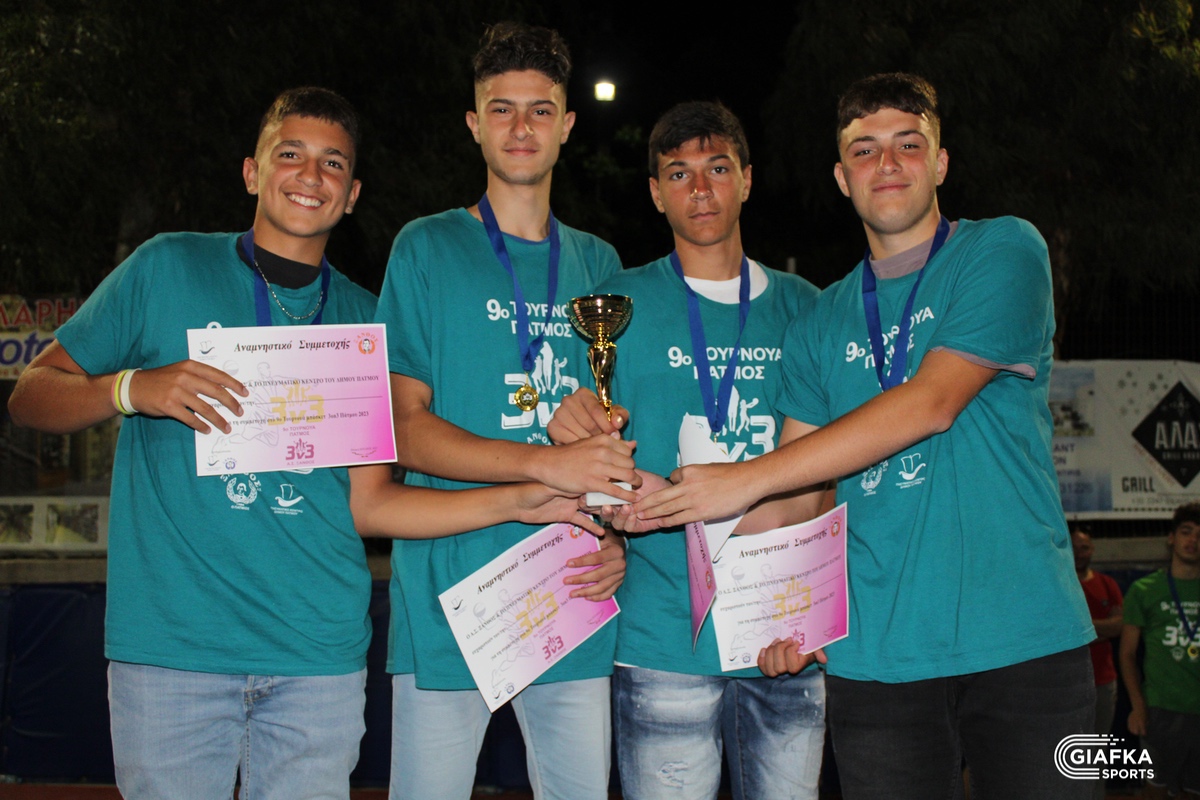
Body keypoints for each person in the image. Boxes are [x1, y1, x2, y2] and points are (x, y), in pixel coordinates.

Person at [5, 87, 601, 800]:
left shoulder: (364, 321)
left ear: (352, 195)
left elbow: (373, 505)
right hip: (176, 653)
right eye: (290, 154)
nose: (310, 175)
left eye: (332, 163)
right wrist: (132, 388)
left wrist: (523, 497)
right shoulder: (166, 267)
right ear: (252, 172)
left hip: (318, 661)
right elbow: (31, 394)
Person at [633, 72, 1096, 799]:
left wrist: (742, 478)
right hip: (875, 665)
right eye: (865, 150)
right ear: (842, 178)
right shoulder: (820, 321)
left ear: (940, 163)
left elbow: (932, 403)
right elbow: (797, 499)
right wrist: (661, 504)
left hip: (1029, 642)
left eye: (908, 145)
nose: (887, 164)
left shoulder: (1005, 249)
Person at [373, 22, 633, 800]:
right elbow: (402, 429)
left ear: (568, 125)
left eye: (541, 110)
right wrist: (542, 466)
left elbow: (613, 436)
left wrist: (615, 535)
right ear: (474, 123)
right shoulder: (425, 247)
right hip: (452, 594)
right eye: (502, 109)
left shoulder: (599, 263)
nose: (522, 127)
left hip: (571, 586)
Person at [549, 101, 825, 800]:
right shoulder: (616, 307)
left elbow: (834, 475)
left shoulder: (808, 308)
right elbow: (589, 461)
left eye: (717, 169)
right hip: (663, 640)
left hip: (786, 634)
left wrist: (819, 610)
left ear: (747, 180)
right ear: (655, 192)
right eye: (678, 173)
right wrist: (611, 509)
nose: (700, 189)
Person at [1120, 503, 1200, 799]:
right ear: (1171, 538)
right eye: (1186, 532)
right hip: (1160, 709)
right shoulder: (1145, 590)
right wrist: (1138, 706)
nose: (1193, 540)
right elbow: (1127, 654)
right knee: (1155, 790)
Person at [1073, 525, 1125, 798]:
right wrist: (1100, 629)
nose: (1079, 553)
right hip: (1066, 684)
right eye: (1073, 547)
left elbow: (1118, 626)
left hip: (1103, 682)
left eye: (1084, 547)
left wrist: (1081, 630)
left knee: (1097, 754)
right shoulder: (1060, 585)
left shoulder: (1107, 584)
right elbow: (1061, 630)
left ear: (1092, 549)